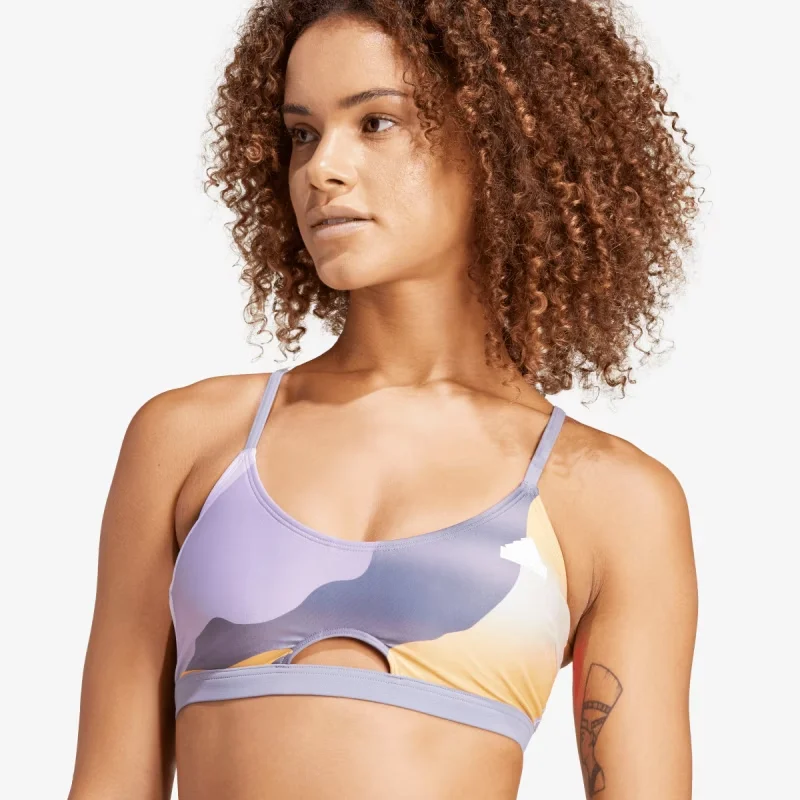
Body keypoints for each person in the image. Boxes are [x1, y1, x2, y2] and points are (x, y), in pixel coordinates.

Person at [68, 1, 700, 798]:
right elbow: (109, 783)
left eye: (375, 123)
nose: (321, 168)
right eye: (303, 133)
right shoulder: (190, 440)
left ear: (498, 139)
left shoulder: (613, 498)